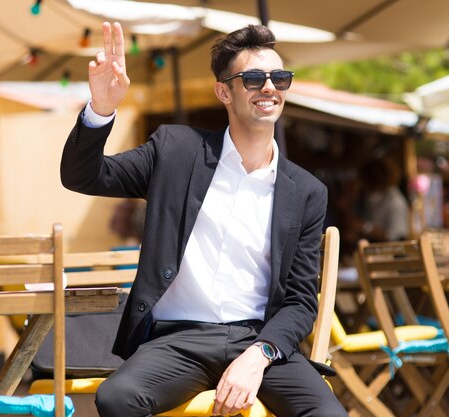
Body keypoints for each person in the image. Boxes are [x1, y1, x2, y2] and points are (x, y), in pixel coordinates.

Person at [60, 21, 347, 417]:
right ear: (223, 91)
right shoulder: (176, 150)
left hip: (259, 341)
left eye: (279, 78)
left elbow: (300, 302)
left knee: (329, 414)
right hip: (177, 341)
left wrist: (258, 356)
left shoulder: (307, 191)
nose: (269, 87)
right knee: (117, 398)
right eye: (253, 78)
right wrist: (102, 108)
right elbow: (83, 176)